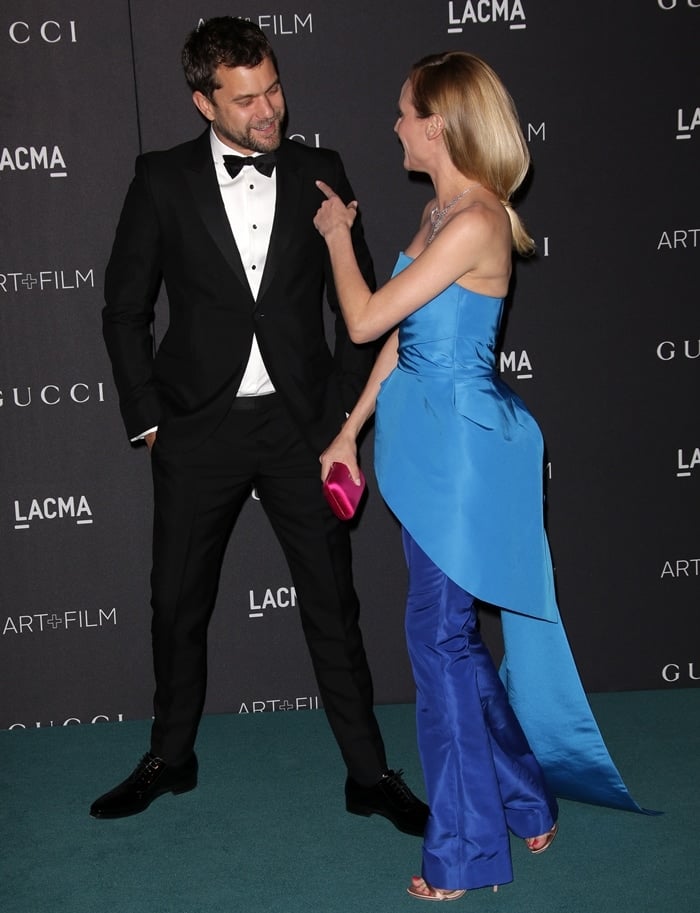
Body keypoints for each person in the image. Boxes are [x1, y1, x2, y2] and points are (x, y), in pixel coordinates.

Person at [314, 51, 649, 899]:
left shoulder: (476, 221)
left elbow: (358, 318)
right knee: (450, 639)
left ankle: (463, 849)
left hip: (464, 454)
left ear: (440, 123)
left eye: (403, 112)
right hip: (419, 442)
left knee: (436, 637)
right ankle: (525, 795)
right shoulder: (438, 210)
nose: (393, 124)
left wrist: (336, 239)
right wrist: (350, 432)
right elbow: (401, 339)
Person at [92, 16, 427, 837]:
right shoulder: (160, 178)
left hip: (299, 430)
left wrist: (342, 418)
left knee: (331, 604)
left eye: (273, 88)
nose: (268, 110)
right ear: (203, 100)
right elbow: (124, 308)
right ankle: (171, 757)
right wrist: (149, 424)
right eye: (245, 100)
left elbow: (365, 308)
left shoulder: (321, 169)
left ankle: (367, 772)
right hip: (195, 430)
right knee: (176, 605)